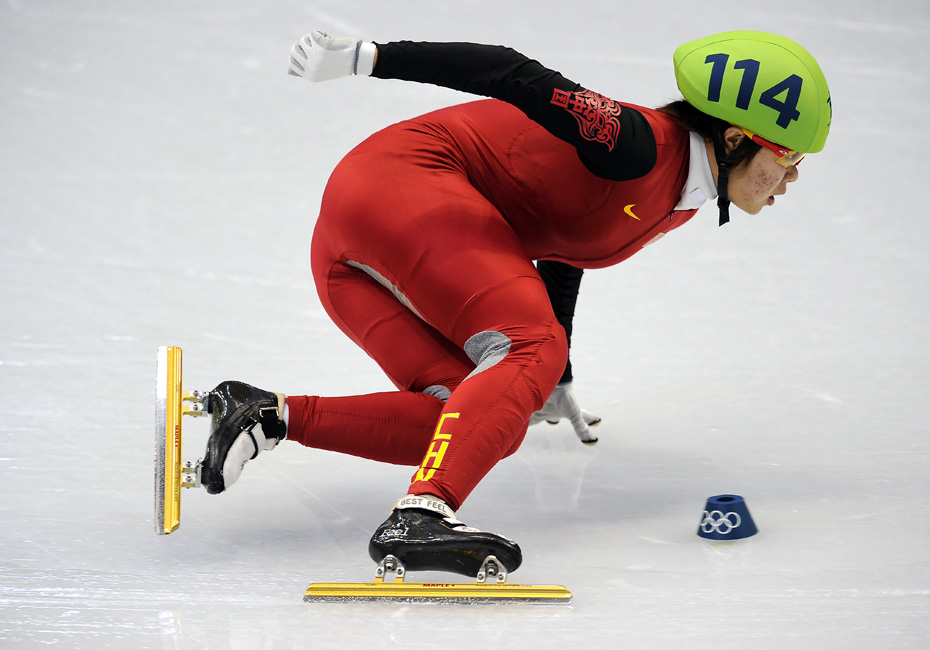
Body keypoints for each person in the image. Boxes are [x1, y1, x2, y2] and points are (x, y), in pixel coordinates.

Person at [199, 30, 832, 576]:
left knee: (476, 423)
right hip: (403, 185)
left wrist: (554, 377)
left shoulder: (682, 191)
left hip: (347, 253)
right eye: (788, 156)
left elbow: (565, 246)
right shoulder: (637, 144)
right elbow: (510, 73)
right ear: (732, 139)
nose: (795, 176)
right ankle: (421, 515)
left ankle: (264, 415)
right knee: (530, 346)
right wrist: (369, 57)